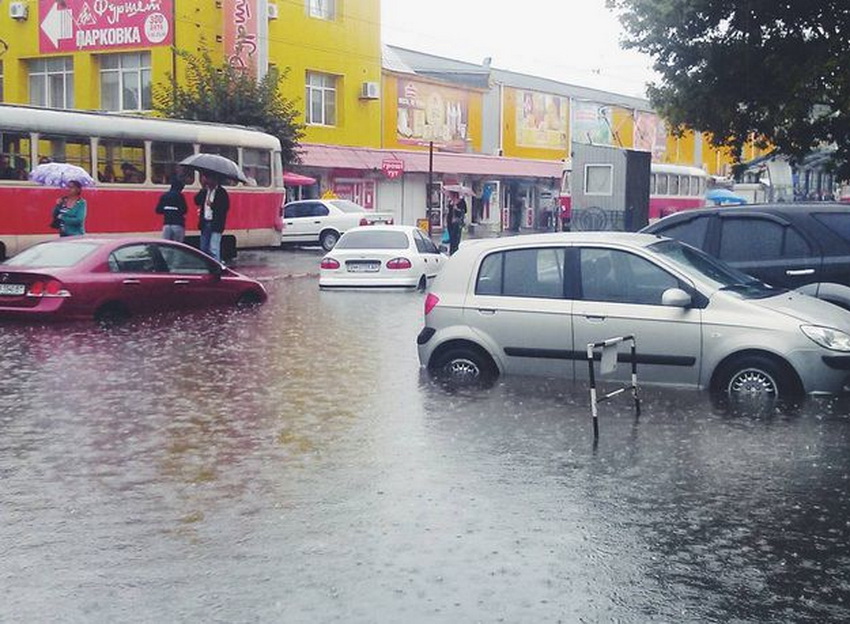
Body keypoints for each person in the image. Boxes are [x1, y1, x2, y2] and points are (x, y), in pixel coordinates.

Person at [195, 171, 229, 262]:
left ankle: (216, 268)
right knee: (203, 248)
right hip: (205, 222)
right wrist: (202, 189)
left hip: (216, 224)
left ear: (215, 180)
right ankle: (206, 266)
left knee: (213, 248)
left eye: (209, 179)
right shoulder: (205, 191)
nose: (208, 182)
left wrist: (212, 205)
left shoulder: (221, 192)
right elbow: (196, 201)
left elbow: (224, 208)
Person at [156, 173, 188, 242]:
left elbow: (158, 210)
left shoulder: (164, 196)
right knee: (178, 246)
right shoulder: (180, 196)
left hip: (167, 224)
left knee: (167, 246)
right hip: (178, 224)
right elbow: (184, 210)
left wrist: (167, 210)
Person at [446, 190, 467, 255]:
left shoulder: (461, 201)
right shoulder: (450, 202)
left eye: (451, 194)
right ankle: (451, 251)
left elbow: (465, 211)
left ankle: (455, 251)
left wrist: (457, 208)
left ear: (454, 194)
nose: (450, 196)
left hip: (457, 222)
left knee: (456, 237)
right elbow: (449, 212)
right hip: (450, 222)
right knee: (451, 237)